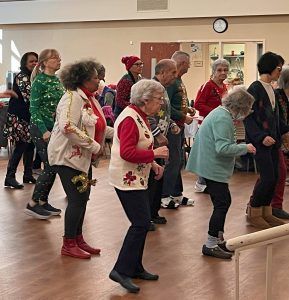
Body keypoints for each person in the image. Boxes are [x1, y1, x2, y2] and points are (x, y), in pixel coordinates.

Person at [48, 60, 113, 259]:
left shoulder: (89, 98)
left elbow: (99, 126)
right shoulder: (72, 98)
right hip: (67, 158)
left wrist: (123, 131)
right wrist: (94, 146)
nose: (99, 80)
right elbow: (67, 127)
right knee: (77, 200)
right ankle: (68, 243)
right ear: (83, 79)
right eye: (95, 77)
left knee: (82, 199)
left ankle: (78, 238)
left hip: (82, 158)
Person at [108, 79, 169, 293]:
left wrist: (152, 164)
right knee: (141, 223)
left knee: (142, 223)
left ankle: (135, 267)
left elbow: (138, 145)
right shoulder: (129, 118)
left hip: (137, 175)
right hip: (126, 178)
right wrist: (155, 154)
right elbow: (126, 152)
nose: (161, 103)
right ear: (145, 100)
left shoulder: (140, 115)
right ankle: (120, 270)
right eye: (158, 99)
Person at [186, 87, 256, 259]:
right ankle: (210, 243)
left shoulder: (221, 113)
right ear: (239, 107)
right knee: (222, 202)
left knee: (222, 202)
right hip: (212, 166)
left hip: (211, 164)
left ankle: (217, 238)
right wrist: (245, 147)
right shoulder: (223, 118)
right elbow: (223, 148)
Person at [244, 52, 289, 229]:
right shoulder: (255, 88)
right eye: (278, 68)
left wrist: (284, 130)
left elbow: (276, 118)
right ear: (270, 67)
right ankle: (254, 211)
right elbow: (248, 117)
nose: (280, 72)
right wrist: (261, 137)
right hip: (260, 142)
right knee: (267, 178)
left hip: (273, 141)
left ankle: (266, 211)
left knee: (276, 176)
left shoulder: (272, 88)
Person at [24, 49, 65, 219]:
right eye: (55, 58)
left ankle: (43, 201)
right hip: (41, 129)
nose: (59, 60)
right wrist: (44, 131)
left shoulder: (57, 80)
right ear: (45, 62)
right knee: (50, 166)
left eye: (59, 57)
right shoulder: (39, 82)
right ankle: (32, 204)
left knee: (53, 166)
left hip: (54, 128)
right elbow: (33, 110)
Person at [161, 51, 195, 209]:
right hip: (172, 127)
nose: (190, 66)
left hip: (179, 126)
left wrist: (187, 108)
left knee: (178, 159)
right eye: (188, 63)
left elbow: (176, 102)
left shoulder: (179, 81)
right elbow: (167, 107)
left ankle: (176, 193)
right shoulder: (172, 82)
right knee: (173, 160)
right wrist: (182, 116)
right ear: (182, 63)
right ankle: (164, 195)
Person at [148, 59, 179, 229]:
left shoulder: (163, 89)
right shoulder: (152, 88)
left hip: (160, 141)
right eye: (172, 72)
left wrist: (172, 124)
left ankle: (154, 212)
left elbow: (164, 113)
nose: (176, 75)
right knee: (152, 179)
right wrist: (158, 134)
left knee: (159, 177)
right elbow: (147, 115)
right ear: (162, 73)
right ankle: (147, 215)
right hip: (152, 141)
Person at [194, 58, 229, 192]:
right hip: (206, 123)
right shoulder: (207, 86)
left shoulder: (224, 87)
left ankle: (211, 181)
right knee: (206, 154)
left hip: (219, 124)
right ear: (213, 71)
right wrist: (216, 112)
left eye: (225, 70)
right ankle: (201, 182)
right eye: (219, 70)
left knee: (215, 154)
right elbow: (198, 104)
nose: (223, 73)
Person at [4, 52, 38, 189]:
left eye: (36, 61)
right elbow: (30, 97)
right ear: (25, 63)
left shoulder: (33, 77)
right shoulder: (22, 76)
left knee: (30, 146)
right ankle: (9, 177)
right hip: (18, 118)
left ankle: (28, 175)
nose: (34, 63)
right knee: (21, 146)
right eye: (31, 61)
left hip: (27, 117)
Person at [270, 65, 289, 219]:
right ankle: (272, 206)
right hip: (275, 139)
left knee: (278, 173)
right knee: (277, 173)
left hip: (283, 139)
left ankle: (271, 206)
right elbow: (278, 122)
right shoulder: (277, 95)